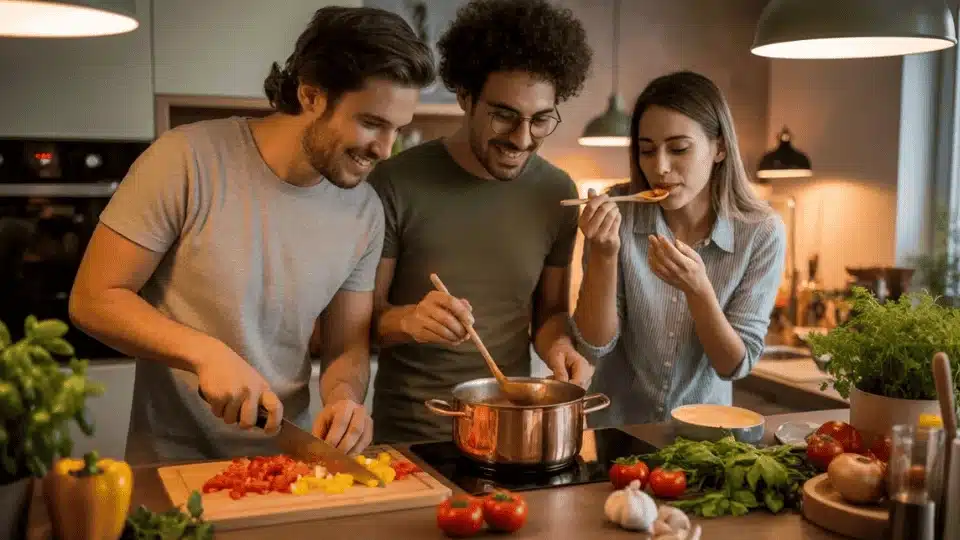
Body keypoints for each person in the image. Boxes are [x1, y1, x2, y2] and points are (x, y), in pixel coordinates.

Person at [67, 6, 436, 464]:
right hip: (171, 464)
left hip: (287, 463)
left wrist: (345, 399)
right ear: (312, 96)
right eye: (372, 123)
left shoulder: (364, 212)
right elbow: (93, 298)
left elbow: (345, 345)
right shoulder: (186, 159)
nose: (384, 149)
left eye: (397, 129)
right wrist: (202, 353)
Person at [366, 0, 595, 444]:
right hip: (409, 438)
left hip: (508, 433)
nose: (522, 138)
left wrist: (560, 348)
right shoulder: (394, 182)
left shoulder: (557, 193)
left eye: (541, 119)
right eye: (505, 115)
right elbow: (360, 321)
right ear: (465, 97)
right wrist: (409, 319)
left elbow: (548, 315)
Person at [571, 70, 787, 428]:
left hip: (706, 438)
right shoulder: (616, 212)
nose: (660, 167)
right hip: (617, 433)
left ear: (719, 147)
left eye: (679, 149)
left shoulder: (761, 232)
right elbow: (594, 344)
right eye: (646, 150)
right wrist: (605, 254)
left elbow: (733, 365)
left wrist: (699, 290)